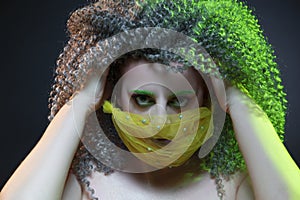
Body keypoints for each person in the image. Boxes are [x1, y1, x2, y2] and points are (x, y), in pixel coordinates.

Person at [1, 0, 299, 200]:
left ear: (209, 100)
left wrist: (236, 98)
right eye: (143, 99)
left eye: (179, 101)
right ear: (111, 96)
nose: (159, 123)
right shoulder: (82, 185)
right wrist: (80, 100)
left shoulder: (232, 185)